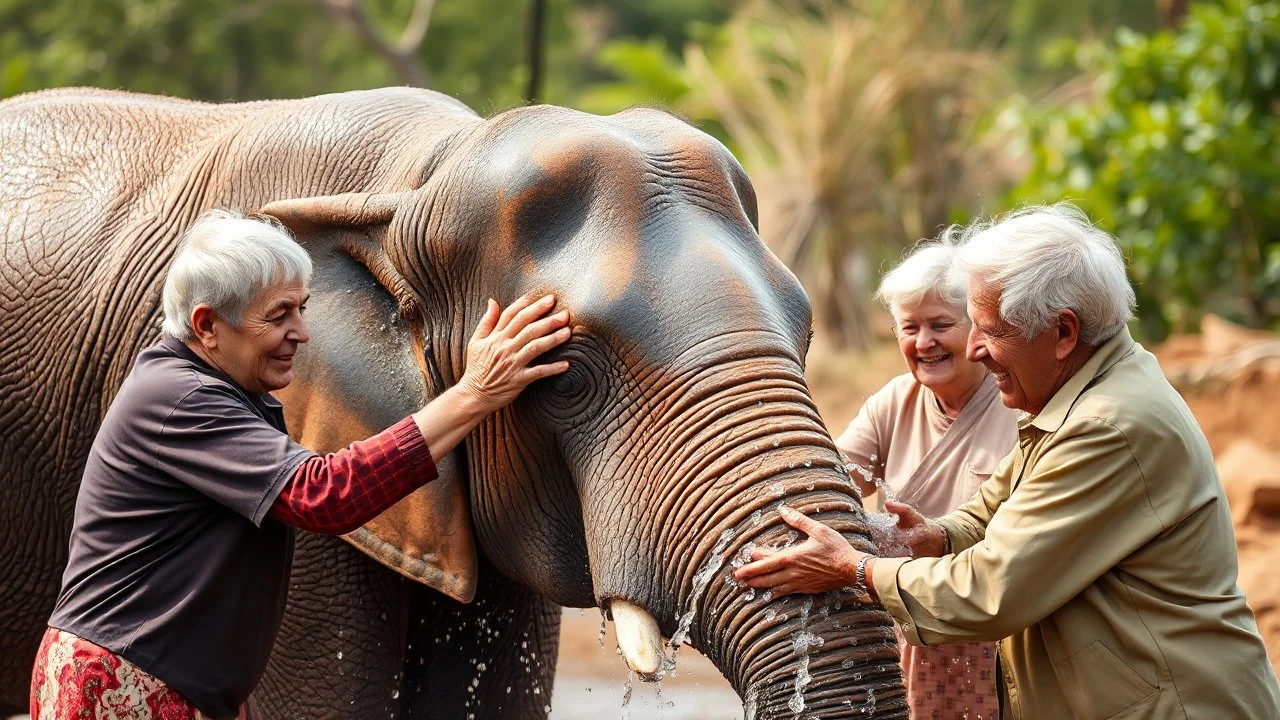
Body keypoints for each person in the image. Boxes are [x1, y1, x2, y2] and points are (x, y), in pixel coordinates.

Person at [737, 204, 1280, 719]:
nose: (973, 350)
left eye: (991, 331)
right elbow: (999, 504)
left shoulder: (1104, 426)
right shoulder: (1080, 395)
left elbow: (990, 592)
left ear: (1064, 332)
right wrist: (935, 537)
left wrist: (854, 569)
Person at [31, 210, 573, 720]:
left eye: (302, 308)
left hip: (168, 684)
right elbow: (327, 494)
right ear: (207, 326)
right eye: (278, 316)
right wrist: (474, 394)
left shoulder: (224, 391)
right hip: (123, 686)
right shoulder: (181, 399)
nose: (302, 333)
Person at [836, 239, 1016, 718]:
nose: (923, 343)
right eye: (909, 328)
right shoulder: (892, 403)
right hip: (903, 629)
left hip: (994, 635)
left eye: (941, 325)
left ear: (977, 326)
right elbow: (832, 484)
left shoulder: (1018, 402)